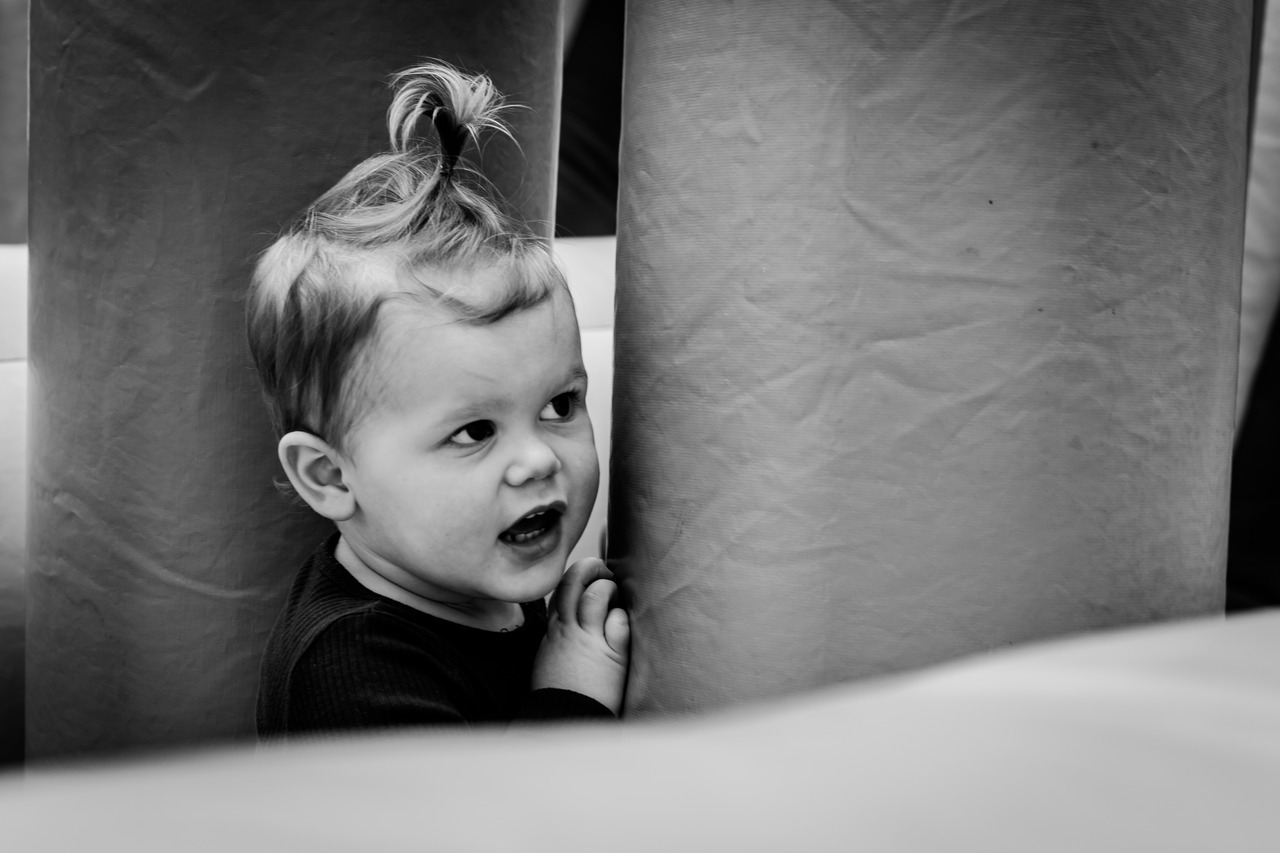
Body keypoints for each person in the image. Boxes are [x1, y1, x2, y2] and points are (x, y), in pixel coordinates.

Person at [246, 61, 629, 739]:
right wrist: (571, 697)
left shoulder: (463, 570)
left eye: (560, 406)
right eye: (475, 431)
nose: (539, 460)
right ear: (331, 475)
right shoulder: (350, 673)